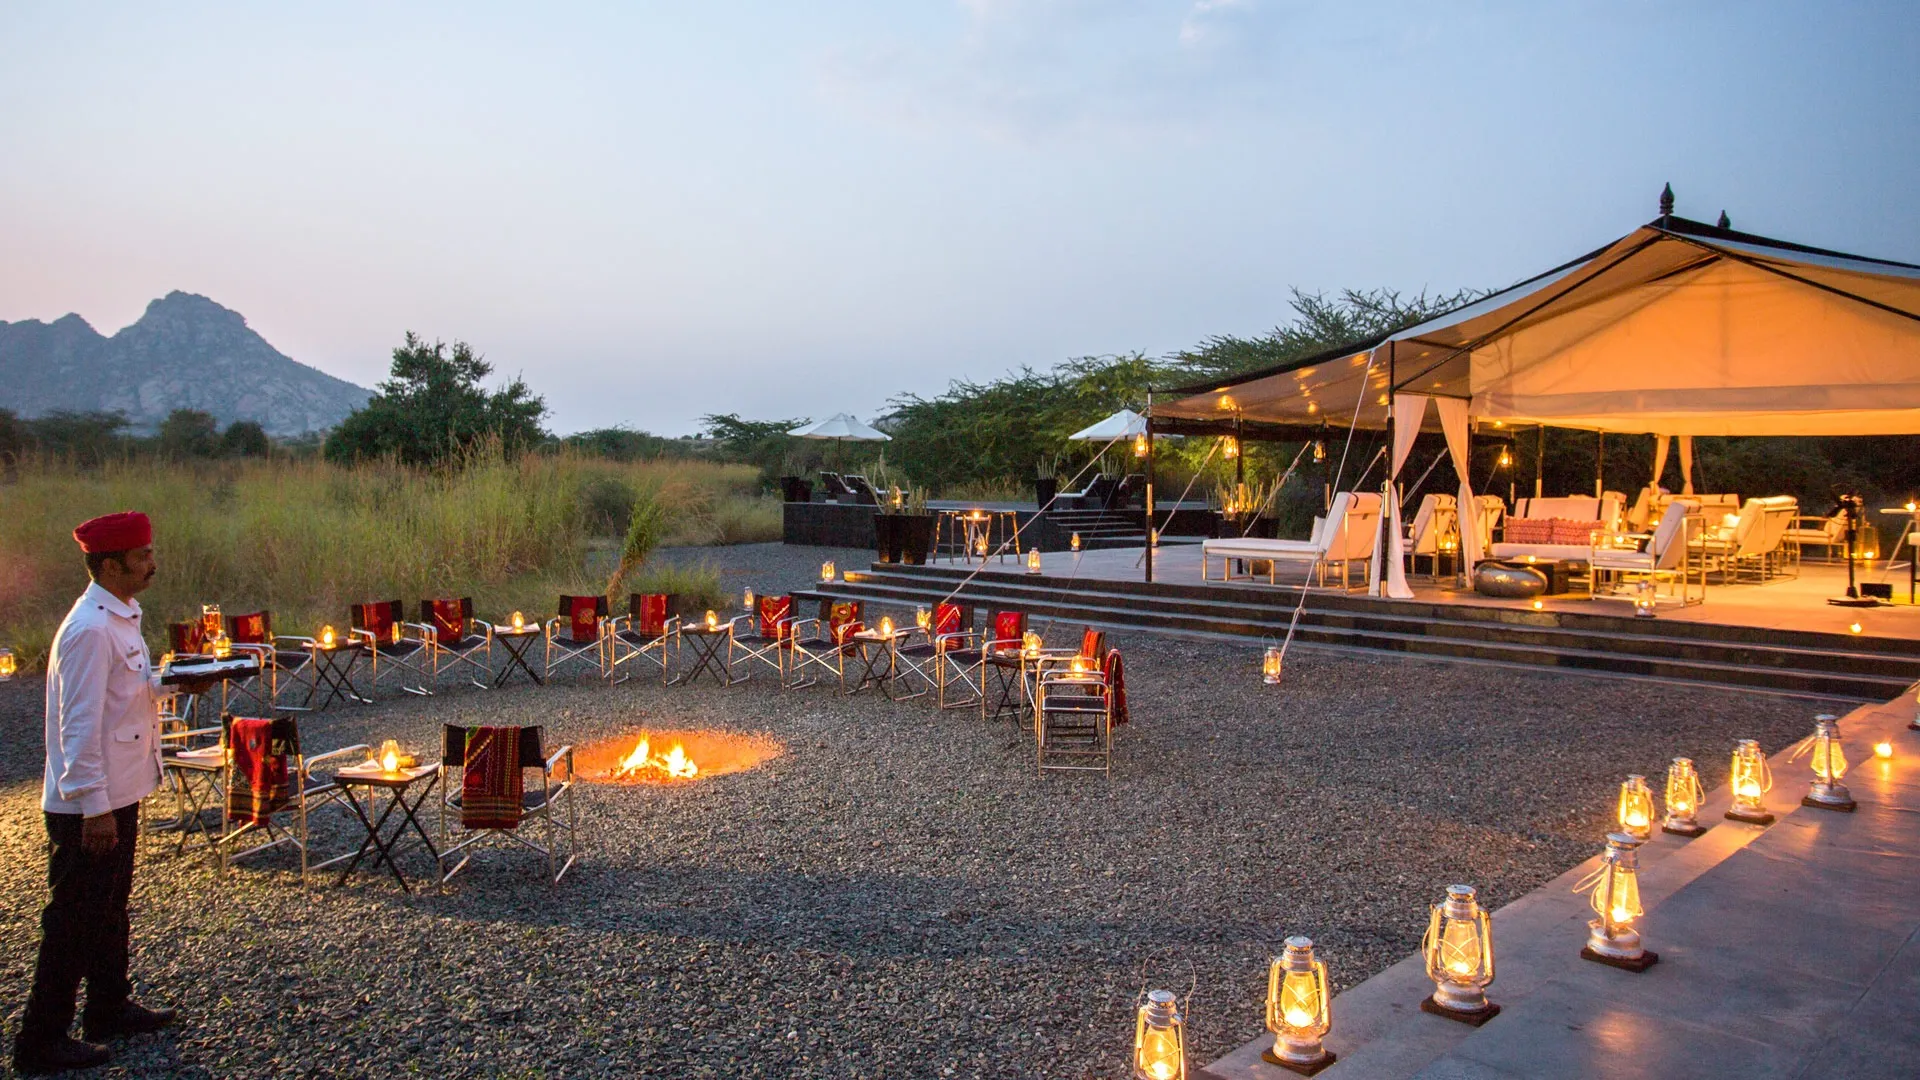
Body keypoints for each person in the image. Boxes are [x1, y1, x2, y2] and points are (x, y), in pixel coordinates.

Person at [12, 511, 207, 1075]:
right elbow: (77, 727)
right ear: (110, 565)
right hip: (89, 805)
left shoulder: (121, 616)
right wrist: (94, 809)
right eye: (142, 556)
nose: (152, 563)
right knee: (73, 919)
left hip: (121, 790)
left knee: (110, 908)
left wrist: (172, 683)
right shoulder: (90, 630)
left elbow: (125, 692)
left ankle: (107, 1006)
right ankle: (40, 1038)